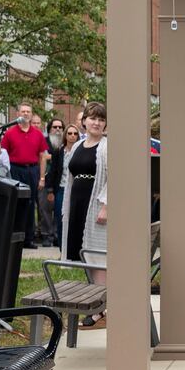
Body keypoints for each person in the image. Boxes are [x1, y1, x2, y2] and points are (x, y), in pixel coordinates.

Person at [61, 103, 109, 288]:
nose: (97, 123)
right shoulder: (78, 145)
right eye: (93, 118)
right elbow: (71, 178)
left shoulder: (107, 147)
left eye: (101, 119)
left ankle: (103, 308)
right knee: (84, 255)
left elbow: (115, 177)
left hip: (96, 206)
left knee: (98, 257)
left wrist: (106, 206)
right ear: (84, 121)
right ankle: (96, 306)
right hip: (78, 204)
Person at [0, 101, 49, 248]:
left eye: (28, 112)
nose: (26, 114)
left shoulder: (38, 134)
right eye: (23, 111)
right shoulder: (9, 133)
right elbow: (3, 155)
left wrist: (42, 178)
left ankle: (29, 238)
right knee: (16, 204)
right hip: (15, 170)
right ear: (18, 114)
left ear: (31, 114)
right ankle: (15, 238)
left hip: (32, 171)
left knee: (30, 204)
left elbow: (42, 157)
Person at [43, 118, 67, 249]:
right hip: (46, 181)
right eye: (54, 127)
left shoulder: (65, 145)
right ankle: (47, 235)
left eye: (60, 127)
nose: (57, 129)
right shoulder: (44, 142)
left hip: (61, 184)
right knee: (46, 210)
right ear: (49, 129)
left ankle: (57, 236)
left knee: (59, 212)